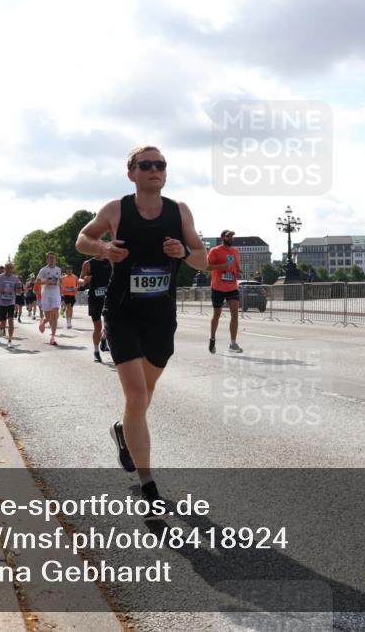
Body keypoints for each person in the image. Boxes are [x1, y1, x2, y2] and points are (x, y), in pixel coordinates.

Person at [76, 145, 207, 516]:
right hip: (122, 313)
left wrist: (182, 251)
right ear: (131, 172)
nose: (154, 169)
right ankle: (149, 485)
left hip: (161, 318)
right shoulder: (117, 209)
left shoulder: (179, 211)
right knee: (136, 396)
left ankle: (123, 431)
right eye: (146, 164)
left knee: (145, 395)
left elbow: (203, 260)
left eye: (160, 165)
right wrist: (103, 249)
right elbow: (82, 239)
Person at [207, 229, 243, 354]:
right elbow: (206, 267)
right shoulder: (215, 251)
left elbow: (237, 268)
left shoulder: (235, 251)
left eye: (232, 236)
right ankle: (212, 338)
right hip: (218, 287)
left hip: (232, 287)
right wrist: (221, 266)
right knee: (217, 314)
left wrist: (238, 273)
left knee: (235, 314)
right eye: (228, 236)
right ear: (223, 237)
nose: (231, 238)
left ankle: (233, 343)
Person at [80, 253, 112, 363]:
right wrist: (84, 280)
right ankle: (96, 351)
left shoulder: (109, 260)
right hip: (94, 298)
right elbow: (79, 280)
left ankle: (104, 337)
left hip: (109, 296)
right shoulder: (88, 264)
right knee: (97, 326)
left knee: (111, 323)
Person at [0, 262, 23, 347]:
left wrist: (19, 287)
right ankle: (1, 329)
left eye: (11, 267)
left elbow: (18, 291)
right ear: (5, 268)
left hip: (11, 302)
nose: (9, 269)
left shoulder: (15, 278)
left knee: (11, 321)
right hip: (1, 302)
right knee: (3, 323)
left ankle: (9, 340)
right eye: (7, 267)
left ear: (12, 268)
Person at [36, 252, 63, 346]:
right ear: (47, 259)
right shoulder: (43, 270)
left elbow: (60, 281)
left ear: (55, 259)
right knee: (48, 317)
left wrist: (61, 293)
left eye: (53, 258)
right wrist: (46, 281)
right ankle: (43, 322)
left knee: (55, 315)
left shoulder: (58, 269)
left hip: (55, 294)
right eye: (50, 258)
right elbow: (38, 282)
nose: (52, 259)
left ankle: (53, 337)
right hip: (46, 294)